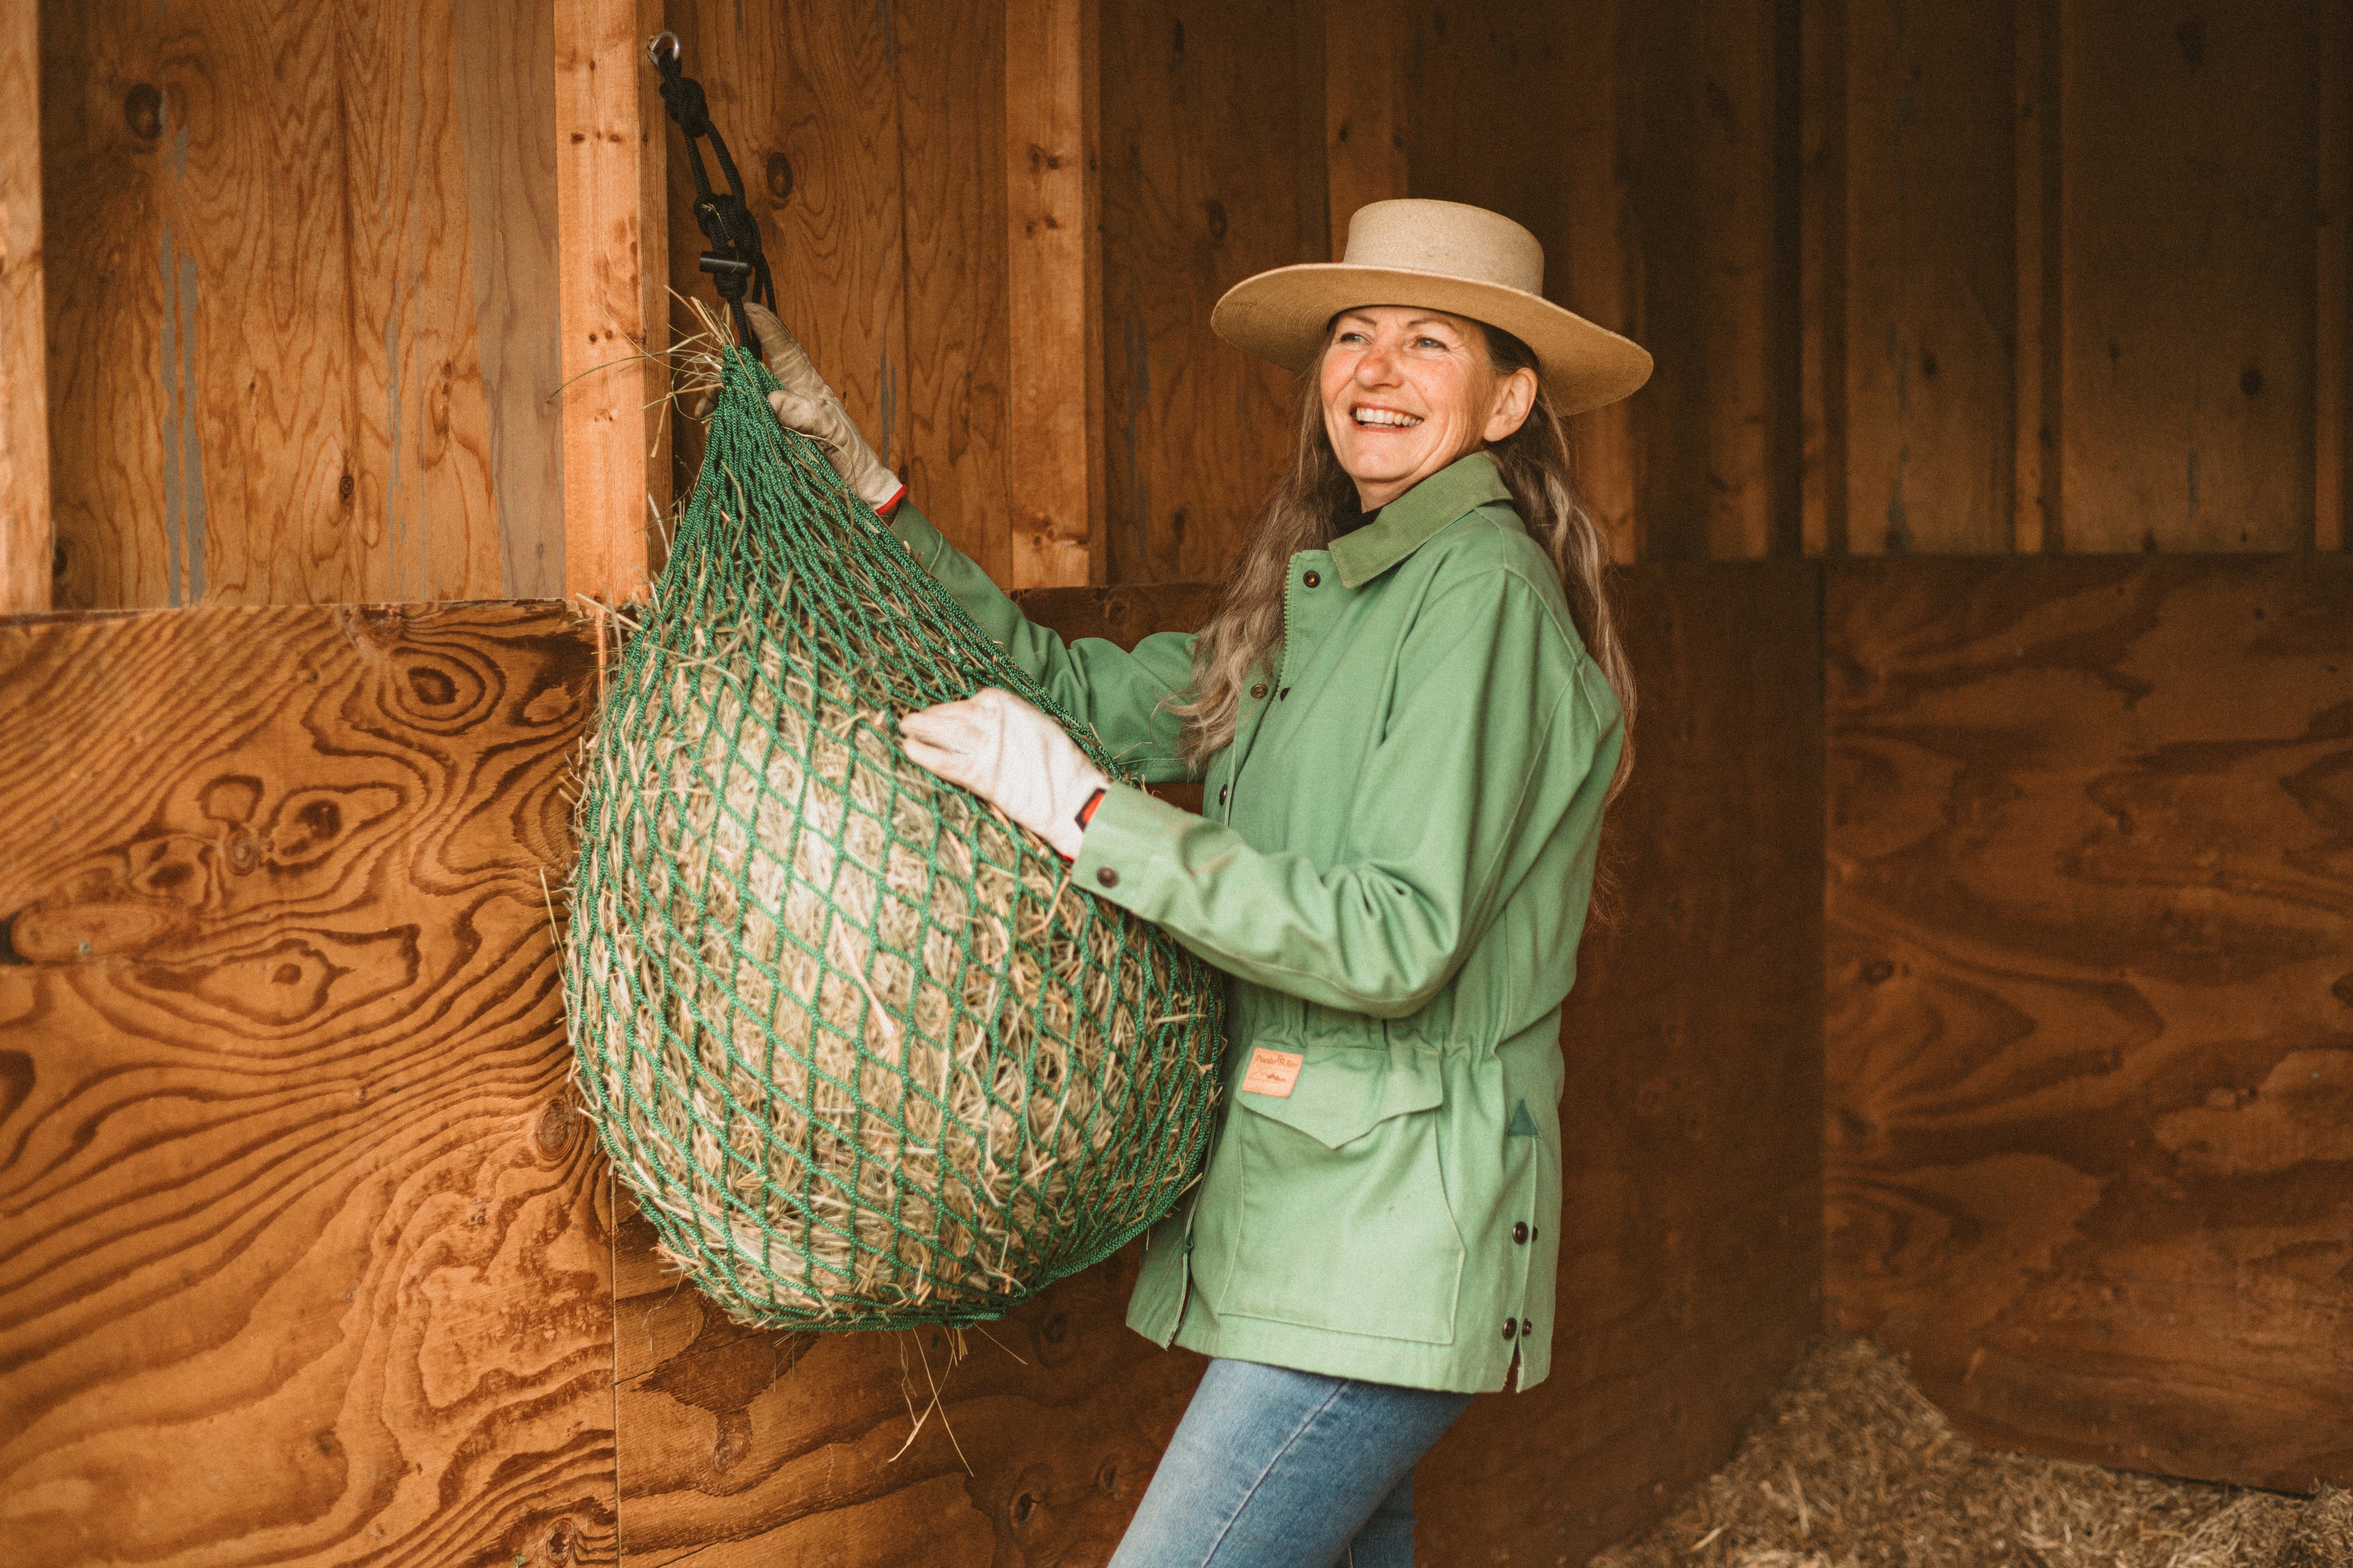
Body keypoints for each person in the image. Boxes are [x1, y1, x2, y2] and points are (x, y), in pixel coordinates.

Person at [741, 198, 1651, 1568]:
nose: (1377, 371)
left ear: (1510, 397)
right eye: (1353, 336)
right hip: (1314, 1211)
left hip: (1391, 1222)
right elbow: (1064, 690)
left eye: (1428, 343)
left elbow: (1392, 937)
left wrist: (1086, 814)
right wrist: (868, 491)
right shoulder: (1328, 593)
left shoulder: (1482, 598)